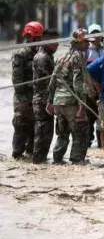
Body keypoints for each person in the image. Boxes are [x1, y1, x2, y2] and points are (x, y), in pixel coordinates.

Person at [47, 28, 90, 164]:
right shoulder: (78, 57)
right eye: (86, 42)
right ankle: (77, 160)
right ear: (78, 43)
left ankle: (57, 159)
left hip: (59, 102)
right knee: (80, 131)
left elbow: (52, 80)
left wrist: (50, 101)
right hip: (72, 102)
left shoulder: (61, 56)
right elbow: (77, 82)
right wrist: (82, 104)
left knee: (62, 133)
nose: (88, 45)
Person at [12, 21, 44, 159]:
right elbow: (17, 79)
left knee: (34, 126)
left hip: (35, 97)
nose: (40, 41)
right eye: (38, 38)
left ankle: (31, 153)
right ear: (31, 37)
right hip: (23, 98)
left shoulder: (38, 52)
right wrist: (23, 99)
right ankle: (17, 154)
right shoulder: (20, 54)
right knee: (21, 125)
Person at [31, 28, 59, 163]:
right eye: (54, 42)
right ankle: (38, 161)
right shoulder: (43, 58)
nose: (57, 45)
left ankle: (41, 160)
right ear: (46, 40)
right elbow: (50, 81)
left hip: (45, 98)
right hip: (42, 99)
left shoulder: (48, 56)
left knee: (46, 131)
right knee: (42, 132)